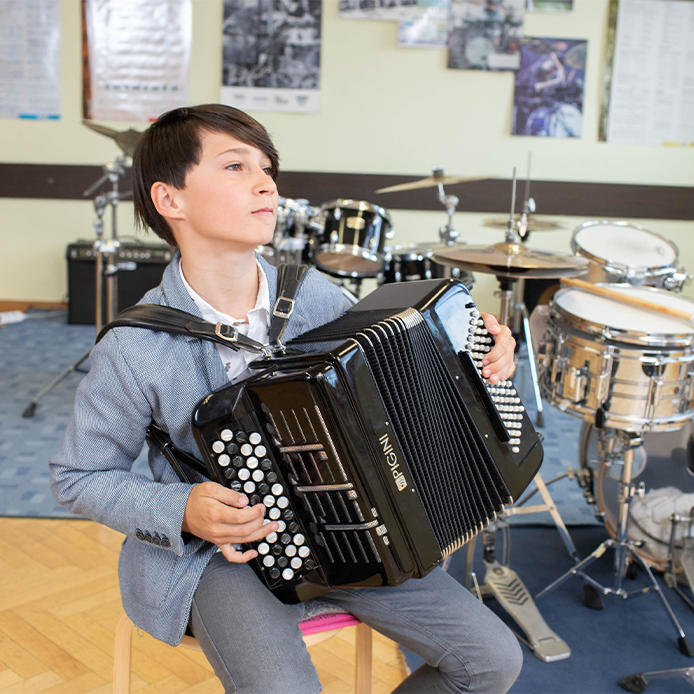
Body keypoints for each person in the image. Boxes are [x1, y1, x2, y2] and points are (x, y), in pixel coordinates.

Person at [49, 104, 522, 694]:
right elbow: (78, 476)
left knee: (493, 661)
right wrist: (183, 510)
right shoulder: (137, 345)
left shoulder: (315, 295)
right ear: (170, 200)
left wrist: (477, 362)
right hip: (222, 554)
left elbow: (398, 387)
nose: (265, 182)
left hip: (352, 531)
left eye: (268, 168)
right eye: (235, 166)